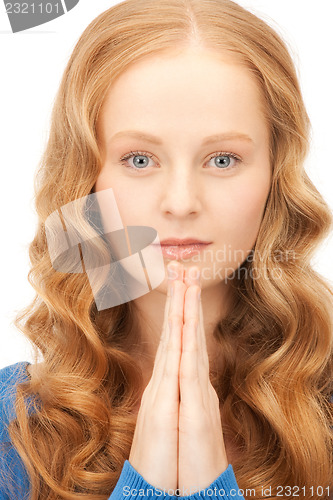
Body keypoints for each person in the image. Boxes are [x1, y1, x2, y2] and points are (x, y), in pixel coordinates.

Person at [0, 0, 332, 498]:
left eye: (222, 159)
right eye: (139, 158)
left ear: (275, 175)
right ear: (87, 179)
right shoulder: (12, 424)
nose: (181, 203)